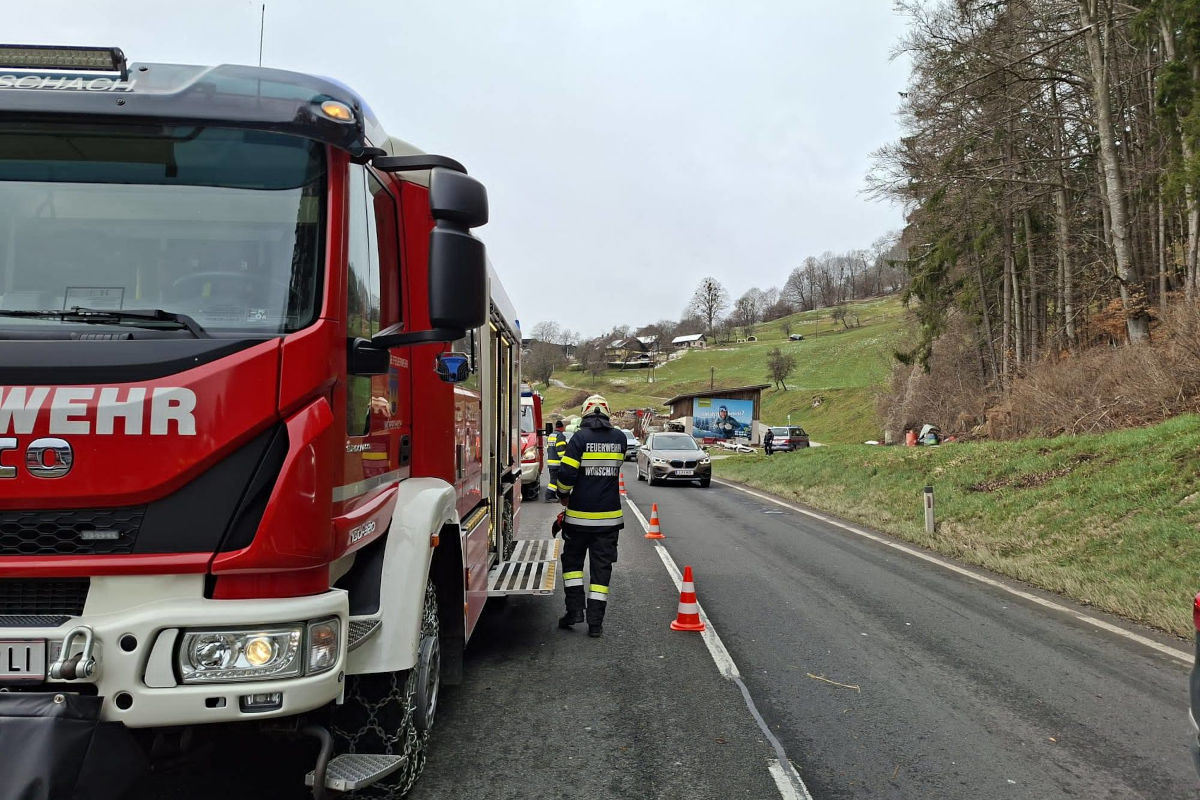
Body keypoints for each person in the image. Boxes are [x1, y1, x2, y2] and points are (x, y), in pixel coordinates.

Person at [555, 394, 626, 638]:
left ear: (585, 413)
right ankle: (596, 623)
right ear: (607, 413)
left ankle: (574, 611)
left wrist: (563, 496)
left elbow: (566, 475)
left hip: (579, 519)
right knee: (601, 571)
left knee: (573, 565)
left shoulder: (579, 438)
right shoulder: (619, 438)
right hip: (609, 520)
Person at [544, 420, 567, 501]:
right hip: (557, 463)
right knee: (554, 482)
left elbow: (549, 449)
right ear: (561, 427)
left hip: (551, 462)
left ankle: (553, 496)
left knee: (554, 480)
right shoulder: (560, 436)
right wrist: (564, 460)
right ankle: (549, 496)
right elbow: (560, 450)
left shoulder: (551, 435)